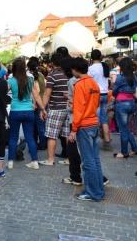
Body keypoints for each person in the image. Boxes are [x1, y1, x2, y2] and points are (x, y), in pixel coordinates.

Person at [62, 58, 110, 188]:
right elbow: (94, 103)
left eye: (72, 69)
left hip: (84, 125)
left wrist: (74, 129)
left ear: (76, 70)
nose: (72, 71)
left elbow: (78, 109)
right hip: (93, 121)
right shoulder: (94, 83)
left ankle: (93, 192)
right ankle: (98, 188)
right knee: (95, 159)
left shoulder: (79, 84)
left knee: (88, 162)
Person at [7, 58, 47, 170]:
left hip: (15, 111)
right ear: (24, 67)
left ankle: (10, 162)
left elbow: (3, 91)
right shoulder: (30, 79)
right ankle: (35, 161)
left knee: (13, 137)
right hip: (29, 111)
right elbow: (37, 96)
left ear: (14, 68)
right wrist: (42, 109)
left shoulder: (11, 80)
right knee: (30, 137)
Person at [40, 52, 69, 166]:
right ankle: (69, 159)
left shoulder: (52, 76)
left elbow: (47, 94)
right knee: (67, 135)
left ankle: (50, 160)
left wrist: (42, 109)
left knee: (52, 135)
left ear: (52, 63)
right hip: (68, 108)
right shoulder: (69, 74)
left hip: (56, 108)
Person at [112, 57, 137, 158]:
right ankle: (135, 148)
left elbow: (114, 91)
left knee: (123, 129)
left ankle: (124, 152)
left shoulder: (120, 77)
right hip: (132, 103)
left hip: (121, 104)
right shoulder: (134, 77)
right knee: (127, 128)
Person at [88, 49, 112, 150]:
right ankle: (107, 142)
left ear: (92, 58)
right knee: (104, 119)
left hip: (95, 95)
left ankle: (93, 142)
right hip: (105, 94)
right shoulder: (105, 66)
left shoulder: (91, 68)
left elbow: (88, 82)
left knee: (94, 118)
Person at [28, 57, 47, 150]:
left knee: (34, 126)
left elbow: (36, 92)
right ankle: (43, 143)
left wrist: (34, 103)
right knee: (41, 124)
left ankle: (36, 143)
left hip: (36, 103)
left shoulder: (31, 77)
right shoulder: (41, 75)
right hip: (43, 102)